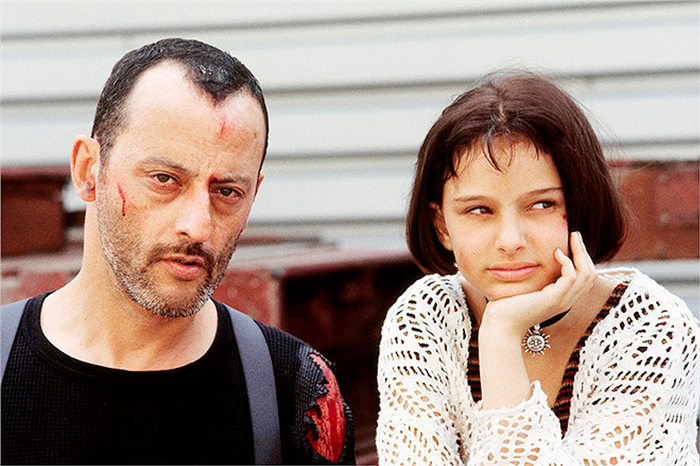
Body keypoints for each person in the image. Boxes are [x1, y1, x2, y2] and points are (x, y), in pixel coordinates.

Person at [1, 38, 354, 465]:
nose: (198, 226)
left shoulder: (297, 392)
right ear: (88, 170)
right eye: (165, 179)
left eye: (227, 191)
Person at [376, 72, 700, 465]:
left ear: (579, 206)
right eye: (479, 210)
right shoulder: (424, 318)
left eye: (542, 204)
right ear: (443, 226)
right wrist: (504, 329)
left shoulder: (652, 328)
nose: (510, 240)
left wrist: (500, 333)